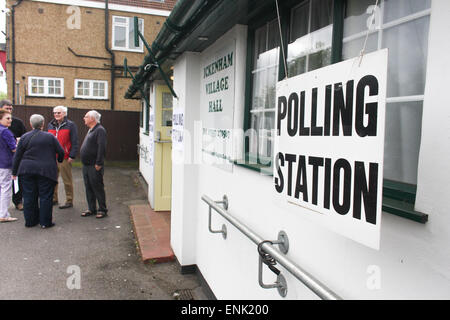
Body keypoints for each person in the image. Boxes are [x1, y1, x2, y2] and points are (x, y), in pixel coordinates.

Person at [12, 114, 64, 228]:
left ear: (31, 124)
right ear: (43, 124)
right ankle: (45, 222)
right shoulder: (50, 137)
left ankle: (30, 221)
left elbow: (17, 156)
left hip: (27, 170)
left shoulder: (24, 137)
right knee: (45, 196)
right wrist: (59, 160)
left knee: (29, 196)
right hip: (46, 171)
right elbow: (61, 151)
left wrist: (14, 172)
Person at [48, 105, 78, 209]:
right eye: (55, 113)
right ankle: (53, 199)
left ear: (64, 114)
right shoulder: (50, 125)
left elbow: (75, 141)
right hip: (52, 157)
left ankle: (69, 201)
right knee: (52, 179)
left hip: (65, 157)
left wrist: (72, 155)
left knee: (67, 180)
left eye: (58, 113)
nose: (56, 114)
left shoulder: (70, 125)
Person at [80, 110, 107, 219]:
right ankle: (91, 208)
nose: (84, 118)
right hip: (86, 165)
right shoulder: (91, 130)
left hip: (94, 165)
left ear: (92, 119)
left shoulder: (100, 130)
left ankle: (102, 209)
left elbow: (102, 147)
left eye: (86, 116)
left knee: (97, 187)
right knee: (88, 187)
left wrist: (99, 163)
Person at [0, 100, 27, 211]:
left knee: (17, 181)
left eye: (11, 109)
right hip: (6, 159)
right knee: (5, 186)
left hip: (13, 159)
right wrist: (15, 142)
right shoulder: (5, 130)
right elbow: (14, 147)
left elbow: (24, 136)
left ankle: (18, 201)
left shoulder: (17, 122)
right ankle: (3, 212)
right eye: (7, 108)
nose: (9, 111)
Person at [0, 109, 18, 222]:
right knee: (6, 189)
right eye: (7, 118)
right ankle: (4, 215)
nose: (10, 120)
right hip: (6, 163)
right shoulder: (6, 131)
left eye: (10, 118)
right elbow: (14, 149)